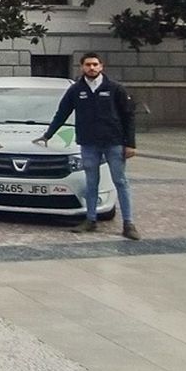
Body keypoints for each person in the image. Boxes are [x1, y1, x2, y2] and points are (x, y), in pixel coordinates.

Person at [36, 51, 140, 239]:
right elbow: (62, 113)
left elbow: (128, 116)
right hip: (88, 143)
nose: (91, 68)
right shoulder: (76, 90)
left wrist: (130, 144)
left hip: (114, 142)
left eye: (95, 64)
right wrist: (47, 135)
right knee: (91, 182)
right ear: (82, 67)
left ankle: (128, 223)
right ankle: (91, 220)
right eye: (88, 65)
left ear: (101, 67)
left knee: (120, 182)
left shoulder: (115, 88)